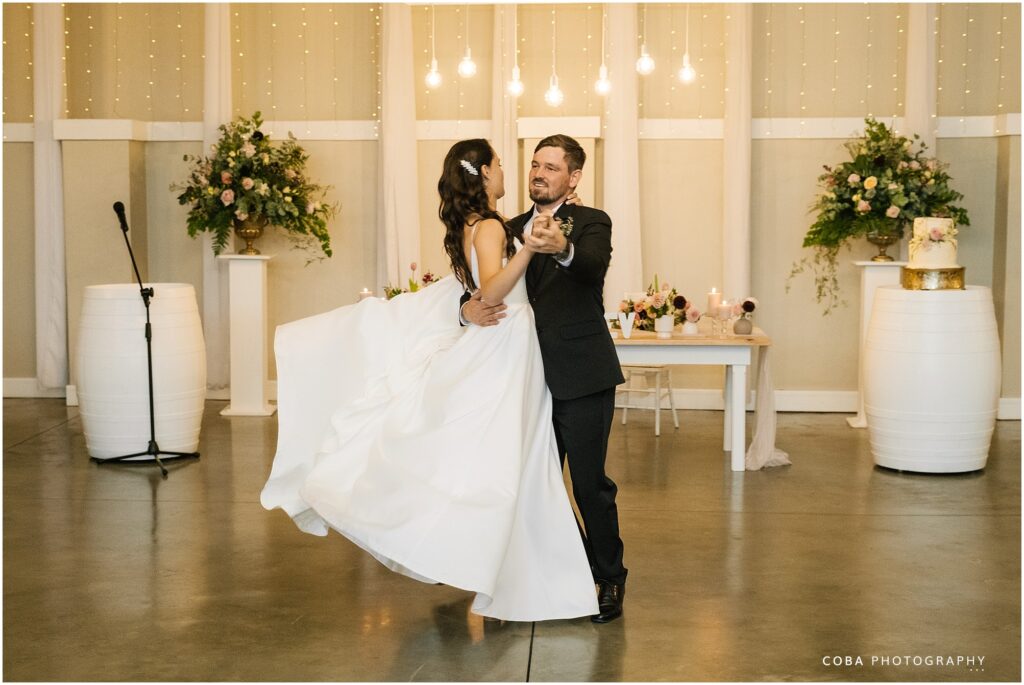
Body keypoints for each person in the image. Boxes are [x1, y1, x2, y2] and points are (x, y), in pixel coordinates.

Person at [260, 138, 599, 622]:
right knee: (506, 459)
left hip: (510, 338)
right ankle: (503, 568)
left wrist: (474, 299)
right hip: (507, 340)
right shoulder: (489, 226)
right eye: (502, 164)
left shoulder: (480, 223)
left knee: (509, 459)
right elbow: (490, 288)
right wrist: (523, 252)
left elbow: (468, 293)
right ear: (483, 174)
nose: (510, 171)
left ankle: (494, 562)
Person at [461, 135, 627, 623]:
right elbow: (481, 284)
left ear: (572, 177)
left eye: (552, 168)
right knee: (534, 485)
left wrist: (564, 247)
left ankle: (609, 578)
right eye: (535, 164)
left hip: (581, 372)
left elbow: (592, 265)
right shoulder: (505, 227)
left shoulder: (592, 222)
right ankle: (560, 572)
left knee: (589, 484)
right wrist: (466, 307)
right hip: (523, 380)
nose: (539, 173)